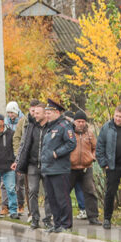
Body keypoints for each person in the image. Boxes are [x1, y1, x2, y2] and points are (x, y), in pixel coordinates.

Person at [38, 98, 76, 232]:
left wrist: (56, 153)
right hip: (48, 169)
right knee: (52, 199)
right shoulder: (50, 127)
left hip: (59, 169)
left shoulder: (64, 126)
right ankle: (57, 224)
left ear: (57, 113)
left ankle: (66, 225)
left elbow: (71, 143)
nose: (46, 115)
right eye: (46, 113)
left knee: (62, 198)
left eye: (49, 113)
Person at [12, 100, 48, 229]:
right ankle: (34, 217)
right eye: (34, 112)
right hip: (32, 164)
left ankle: (48, 218)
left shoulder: (50, 127)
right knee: (32, 191)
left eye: (38, 113)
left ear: (45, 113)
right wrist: (18, 160)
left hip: (46, 164)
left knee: (48, 192)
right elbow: (23, 143)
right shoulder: (29, 125)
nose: (35, 115)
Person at [68, 110, 101, 226]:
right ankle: (64, 217)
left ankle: (93, 217)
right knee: (64, 192)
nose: (81, 124)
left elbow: (95, 147)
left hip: (86, 167)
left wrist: (93, 157)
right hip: (71, 168)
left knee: (90, 192)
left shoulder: (90, 134)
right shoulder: (68, 133)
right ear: (74, 121)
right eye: (78, 121)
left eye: (83, 121)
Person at [0, 101, 23, 216]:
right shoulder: (5, 122)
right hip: (6, 155)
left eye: (12, 113)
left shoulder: (23, 121)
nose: (10, 115)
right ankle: (5, 205)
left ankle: (20, 204)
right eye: (8, 113)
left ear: (16, 111)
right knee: (4, 182)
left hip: (18, 155)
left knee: (18, 183)